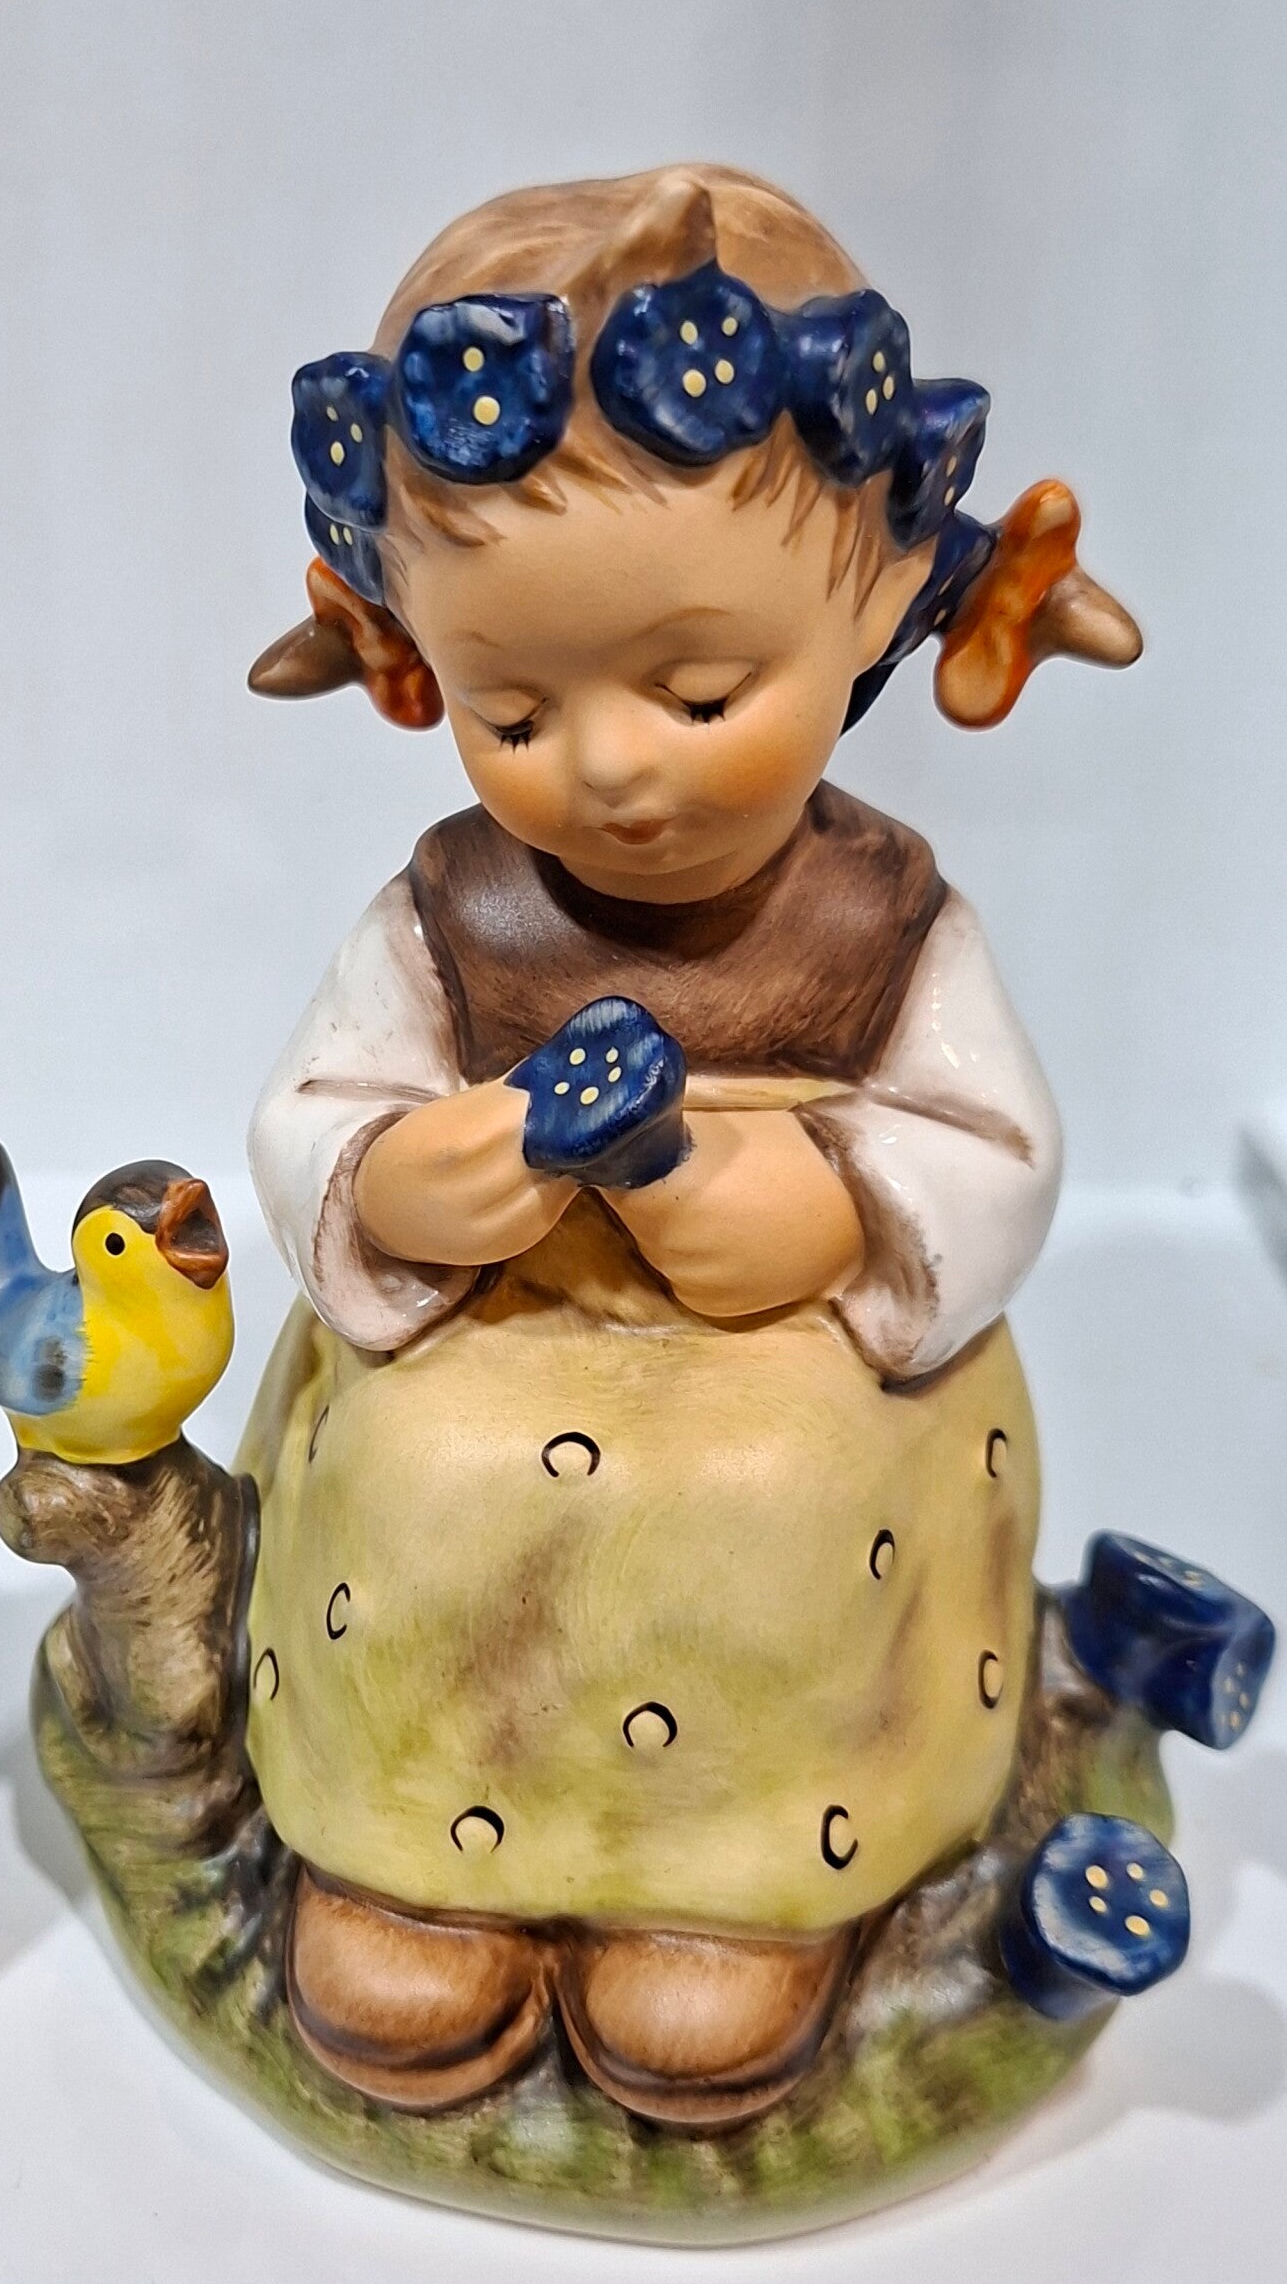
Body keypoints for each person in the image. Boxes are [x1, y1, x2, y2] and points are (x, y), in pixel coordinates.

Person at [238, 165, 1141, 2126]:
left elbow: (996, 1145)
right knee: (414, 1471)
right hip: (495, 1340)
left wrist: (842, 1206)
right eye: (513, 711)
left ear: (876, 597)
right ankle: (414, 1871)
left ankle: (739, 1901)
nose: (613, 766)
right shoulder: (452, 918)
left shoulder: (886, 922)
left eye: (701, 687)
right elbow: (317, 1109)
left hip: (795, 1366)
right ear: (417, 658)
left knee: (777, 1499)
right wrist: (400, 1182)